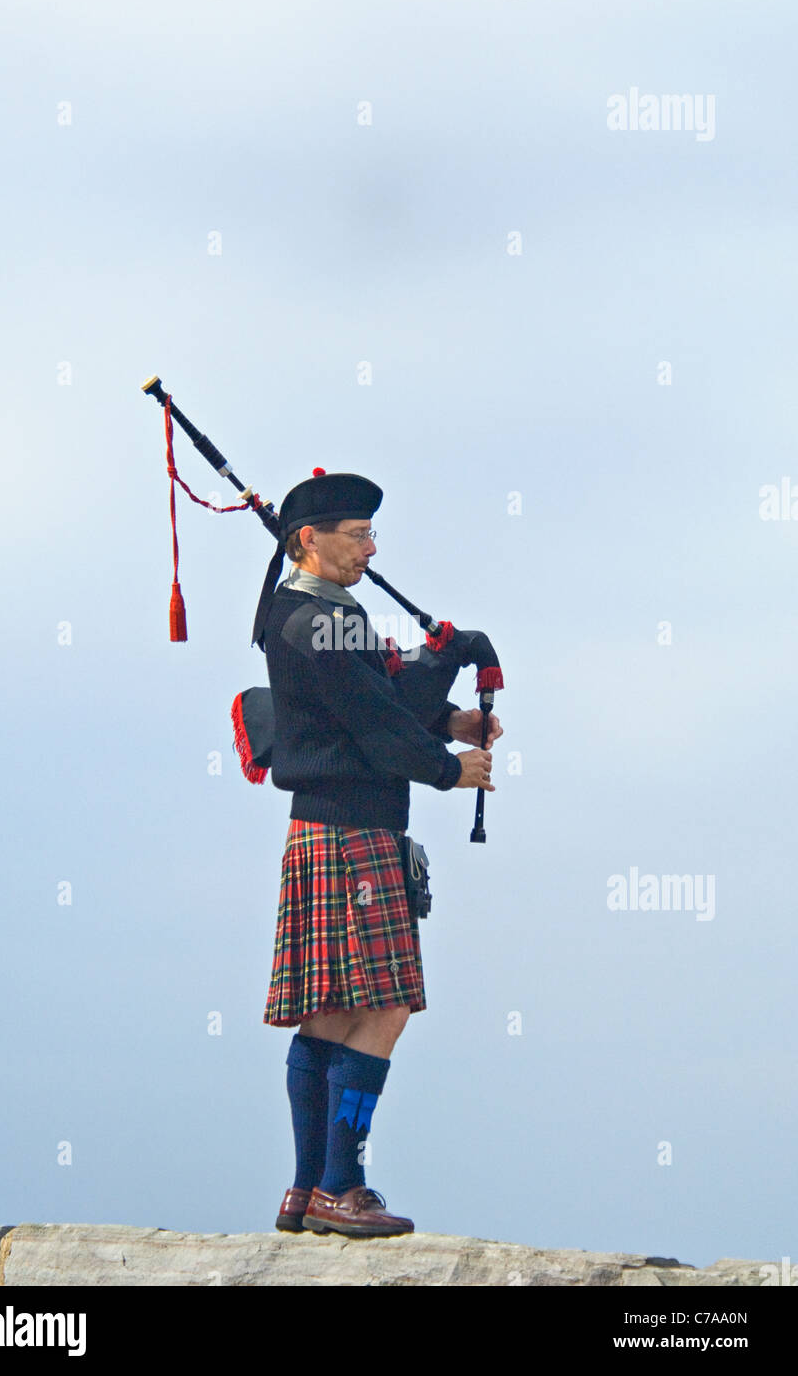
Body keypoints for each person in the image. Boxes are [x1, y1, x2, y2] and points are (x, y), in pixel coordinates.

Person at [251, 468, 502, 1238]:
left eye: (369, 535)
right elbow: (373, 724)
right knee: (385, 1004)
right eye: (355, 535)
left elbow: (379, 701)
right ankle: (340, 1185)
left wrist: (449, 709)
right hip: (352, 833)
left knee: (332, 1011)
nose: (369, 547)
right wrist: (443, 767)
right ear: (308, 539)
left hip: (331, 828)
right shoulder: (312, 622)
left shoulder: (320, 614)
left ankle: (307, 1190)